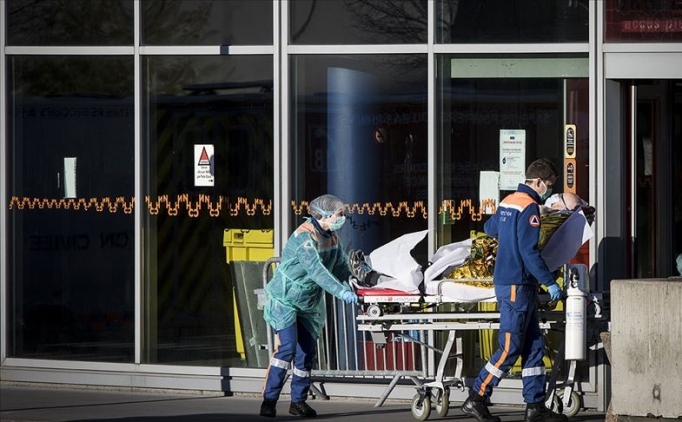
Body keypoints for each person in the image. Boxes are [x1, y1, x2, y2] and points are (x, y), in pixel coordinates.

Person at [461, 158, 568, 422]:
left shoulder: (509, 201)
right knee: (511, 346)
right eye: (550, 185)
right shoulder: (529, 206)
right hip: (516, 285)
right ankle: (477, 397)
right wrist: (549, 282)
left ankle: (535, 406)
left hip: (513, 282)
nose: (550, 191)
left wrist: (511, 233)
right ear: (539, 182)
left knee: (534, 346)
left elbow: (490, 228)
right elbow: (529, 252)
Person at [260, 194, 358, 418]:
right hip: (285, 299)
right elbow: (317, 271)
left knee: (306, 352)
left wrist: (352, 283)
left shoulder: (331, 237)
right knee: (287, 348)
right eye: (339, 215)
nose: (342, 219)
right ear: (323, 215)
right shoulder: (304, 237)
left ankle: (298, 402)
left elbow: (340, 266)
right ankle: (269, 399)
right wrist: (341, 292)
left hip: (309, 301)